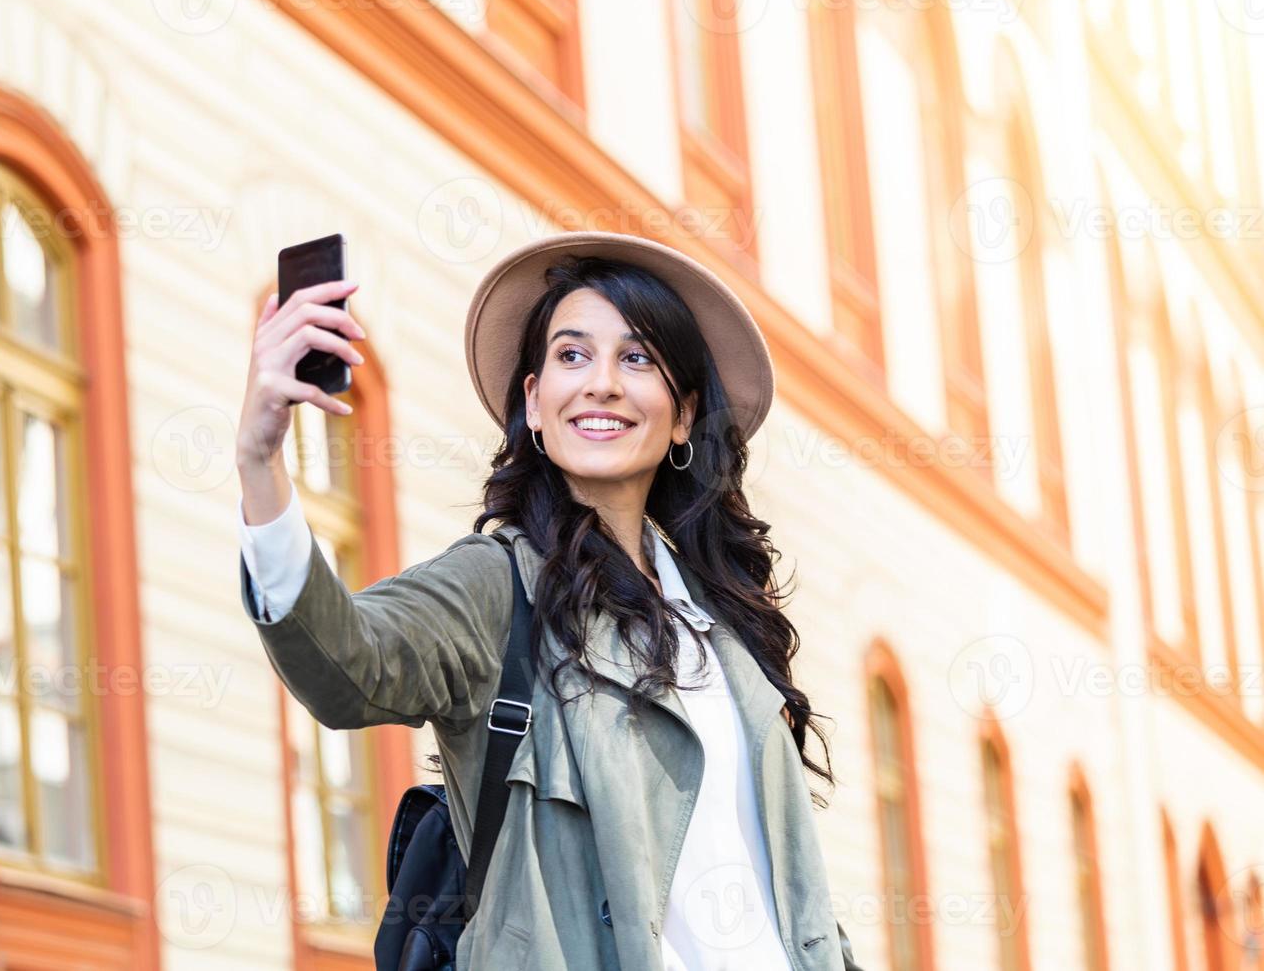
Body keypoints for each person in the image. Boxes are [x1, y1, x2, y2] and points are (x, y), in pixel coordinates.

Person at [234, 230, 865, 970]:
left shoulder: (727, 624)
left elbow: (792, 896)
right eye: (571, 356)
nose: (600, 382)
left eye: (637, 357)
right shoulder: (496, 584)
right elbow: (345, 666)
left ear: (685, 413)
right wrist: (259, 460)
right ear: (534, 402)